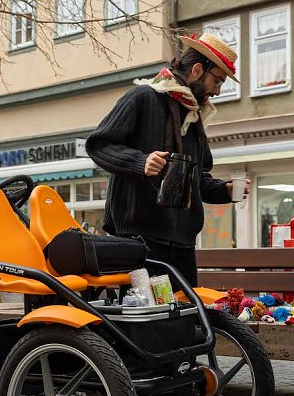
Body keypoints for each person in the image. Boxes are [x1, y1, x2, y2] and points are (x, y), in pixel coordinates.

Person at [86, 32, 249, 286]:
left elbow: (196, 180)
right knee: (149, 321)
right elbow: (99, 145)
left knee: (185, 318)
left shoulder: (194, 115)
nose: (217, 91)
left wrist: (224, 190)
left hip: (182, 241)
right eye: (217, 80)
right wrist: (141, 162)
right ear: (197, 69)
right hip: (139, 239)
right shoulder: (142, 97)